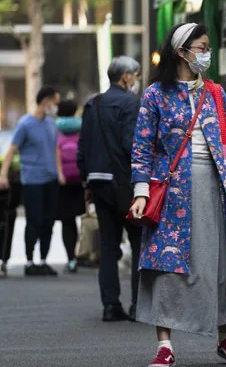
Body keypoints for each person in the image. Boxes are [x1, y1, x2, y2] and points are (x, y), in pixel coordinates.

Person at [129, 22, 226, 367]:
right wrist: (141, 191)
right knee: (167, 266)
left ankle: (225, 339)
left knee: (220, 264)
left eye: (207, 47)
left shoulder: (214, 92)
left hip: (216, 188)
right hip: (171, 192)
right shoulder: (156, 94)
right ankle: (165, 345)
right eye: (201, 47)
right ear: (181, 51)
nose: (206, 54)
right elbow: (142, 146)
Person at [77, 56, 142, 322]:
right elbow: (131, 145)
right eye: (135, 75)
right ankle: (139, 305)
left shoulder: (93, 103)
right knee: (139, 244)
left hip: (98, 183)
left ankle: (110, 305)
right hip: (125, 184)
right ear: (126, 76)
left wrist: (86, 183)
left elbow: (82, 148)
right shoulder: (131, 103)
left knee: (107, 245)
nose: (136, 80)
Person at [0, 86, 62, 276]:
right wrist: (3, 175)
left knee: (49, 221)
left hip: (51, 179)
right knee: (34, 220)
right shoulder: (25, 124)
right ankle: (29, 261)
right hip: (32, 180)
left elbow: (56, 149)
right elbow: (11, 150)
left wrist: (60, 173)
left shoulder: (51, 124)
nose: (56, 107)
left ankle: (43, 260)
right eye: (55, 102)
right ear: (46, 101)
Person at [56, 99, 85, 273]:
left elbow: (55, 151)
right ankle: (84, 252)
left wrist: (59, 173)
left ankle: (71, 258)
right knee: (85, 216)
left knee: (67, 221)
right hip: (80, 178)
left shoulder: (56, 127)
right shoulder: (82, 126)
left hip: (63, 180)